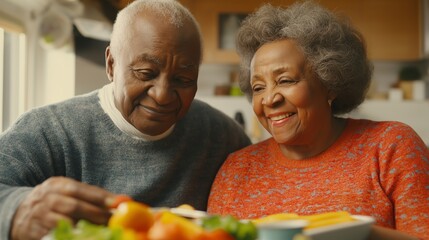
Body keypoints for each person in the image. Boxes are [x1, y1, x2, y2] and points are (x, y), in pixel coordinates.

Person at [0, 0, 251, 239]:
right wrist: (16, 210)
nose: (162, 95)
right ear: (111, 64)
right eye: (145, 73)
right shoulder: (49, 130)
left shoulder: (221, 135)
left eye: (183, 80)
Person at [207, 2, 429, 240]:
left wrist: (358, 234)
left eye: (286, 80)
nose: (269, 99)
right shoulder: (236, 171)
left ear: (330, 83)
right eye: (258, 87)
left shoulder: (391, 148)